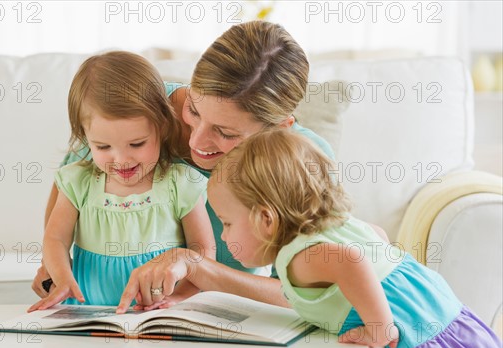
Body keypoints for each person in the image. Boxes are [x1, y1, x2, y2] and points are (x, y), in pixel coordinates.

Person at [32, 20, 337, 309]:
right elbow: (68, 189)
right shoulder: (134, 107)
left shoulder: (303, 159)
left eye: (225, 133)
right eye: (193, 110)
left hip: (226, 312)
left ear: (279, 129)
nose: (197, 142)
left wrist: (201, 269)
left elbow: (310, 296)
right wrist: (56, 269)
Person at [204, 128, 503, 348]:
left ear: (266, 220)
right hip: (449, 322)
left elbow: (352, 262)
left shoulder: (298, 257)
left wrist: (377, 327)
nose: (224, 234)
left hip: (418, 347)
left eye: (227, 223)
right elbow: (378, 237)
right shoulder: (334, 223)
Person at [28, 51, 214, 311]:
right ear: (85, 138)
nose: (121, 160)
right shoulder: (77, 182)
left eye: (136, 144)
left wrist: (181, 297)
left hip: (157, 314)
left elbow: (203, 255)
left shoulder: (179, 183)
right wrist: (62, 279)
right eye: (103, 146)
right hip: (88, 312)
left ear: (161, 128)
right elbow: (55, 239)